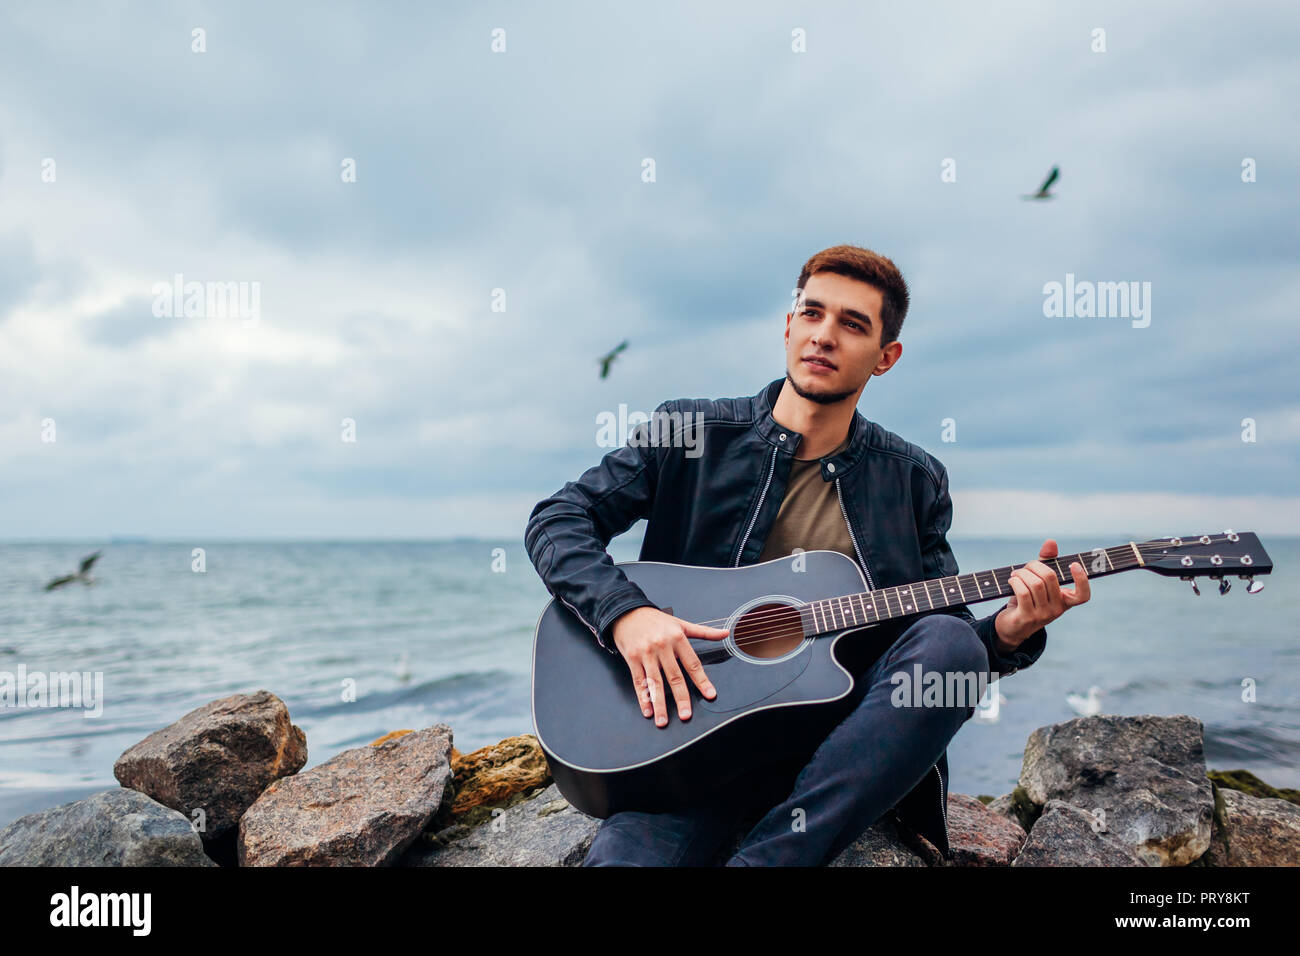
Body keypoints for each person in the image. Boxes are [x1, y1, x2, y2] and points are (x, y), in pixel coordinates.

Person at [524, 243, 1090, 865]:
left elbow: (938, 650)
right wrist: (626, 614)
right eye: (812, 314)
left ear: (886, 357)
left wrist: (1009, 632)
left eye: (852, 325)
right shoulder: (689, 431)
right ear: (788, 325)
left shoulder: (913, 479)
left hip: (834, 757)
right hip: (688, 743)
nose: (825, 336)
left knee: (952, 645)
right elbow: (559, 519)